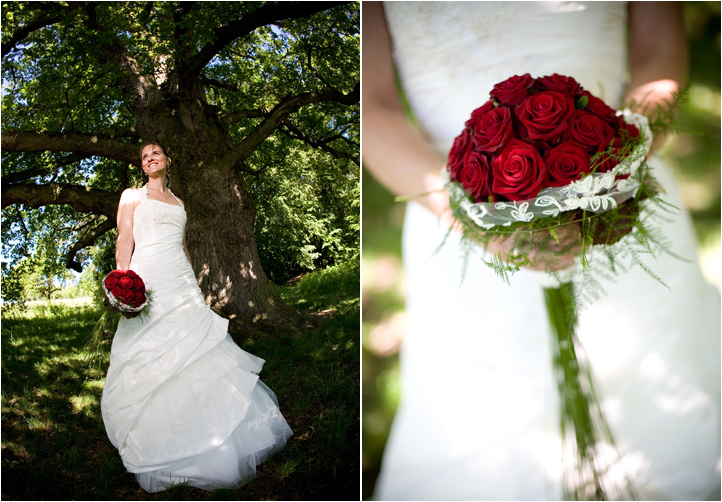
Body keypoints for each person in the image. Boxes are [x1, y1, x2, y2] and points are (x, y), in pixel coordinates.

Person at [362, 2, 720, 500]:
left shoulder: (617, 176)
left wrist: (618, 170)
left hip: (617, 194)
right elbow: (370, 104)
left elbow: (659, 53)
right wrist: (472, 218)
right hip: (453, 206)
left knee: (654, 406)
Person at [100, 141, 292, 493]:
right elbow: (124, 239)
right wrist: (122, 282)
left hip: (180, 280)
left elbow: (184, 247)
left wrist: (194, 286)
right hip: (148, 278)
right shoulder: (131, 196)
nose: (150, 158)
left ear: (168, 161)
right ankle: (168, 442)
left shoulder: (179, 203)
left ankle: (220, 437)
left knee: (198, 350)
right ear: (142, 167)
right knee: (154, 352)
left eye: (156, 152)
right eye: (144, 156)